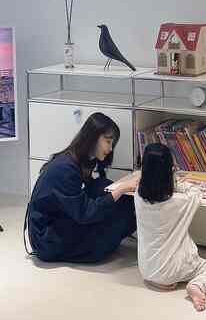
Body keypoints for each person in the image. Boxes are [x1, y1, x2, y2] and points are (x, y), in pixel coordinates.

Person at [25, 112, 139, 263]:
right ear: (92, 138)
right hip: (47, 241)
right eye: (108, 141)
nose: (110, 149)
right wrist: (122, 188)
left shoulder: (81, 160)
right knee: (118, 216)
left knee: (108, 191)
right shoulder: (65, 169)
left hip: (58, 223)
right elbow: (86, 213)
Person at [134, 142, 206, 312]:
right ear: (170, 173)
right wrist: (178, 183)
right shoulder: (180, 202)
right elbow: (196, 192)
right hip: (173, 270)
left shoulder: (138, 196)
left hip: (146, 269)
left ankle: (156, 280)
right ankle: (197, 285)